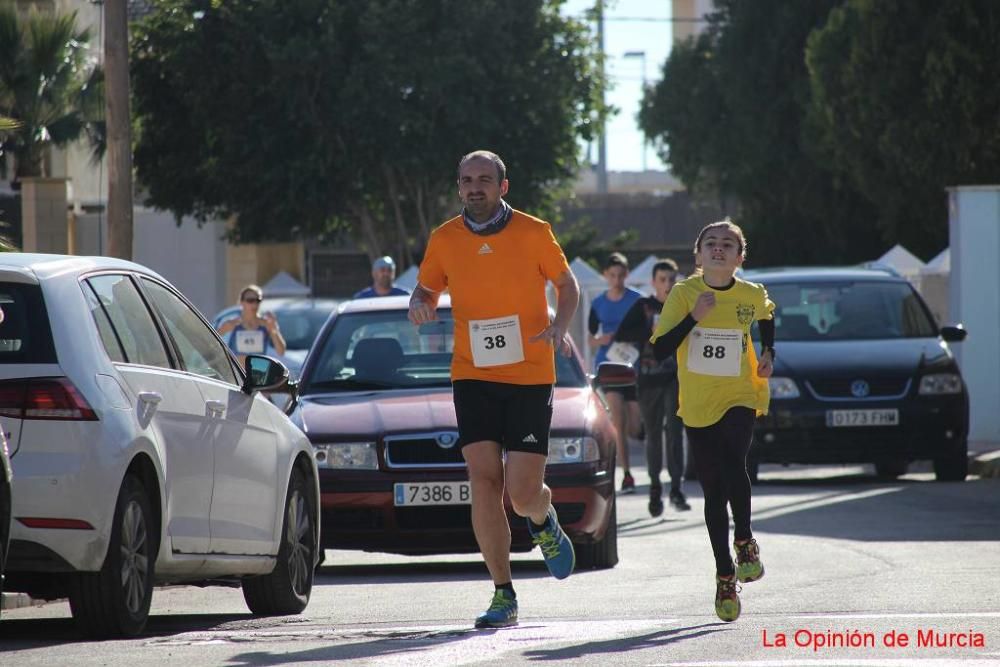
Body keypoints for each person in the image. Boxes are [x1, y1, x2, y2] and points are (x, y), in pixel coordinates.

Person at [409, 149, 580, 630]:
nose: (475, 187)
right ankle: (503, 593)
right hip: (472, 373)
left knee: (522, 493)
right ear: (458, 186)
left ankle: (542, 519)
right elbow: (426, 288)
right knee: (482, 481)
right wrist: (419, 303)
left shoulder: (533, 231)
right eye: (467, 180)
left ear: (504, 186)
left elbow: (568, 287)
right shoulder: (444, 238)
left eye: (485, 179)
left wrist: (558, 328)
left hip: (529, 374)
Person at [649, 219, 775, 623]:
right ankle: (724, 573)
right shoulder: (685, 293)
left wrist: (769, 351)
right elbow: (660, 349)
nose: (718, 249)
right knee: (712, 488)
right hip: (698, 402)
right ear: (698, 254)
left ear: (740, 257)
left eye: (727, 244)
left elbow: (767, 315)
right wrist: (694, 318)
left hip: (740, 392)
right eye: (711, 243)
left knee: (734, 461)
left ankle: (744, 538)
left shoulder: (750, 293)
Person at [612, 258, 690, 516]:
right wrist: (649, 332)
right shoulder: (643, 306)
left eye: (671, 279)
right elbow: (621, 334)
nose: (667, 284)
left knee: (676, 433)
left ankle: (677, 488)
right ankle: (655, 487)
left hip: (677, 378)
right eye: (662, 279)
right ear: (654, 282)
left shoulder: (683, 306)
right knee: (654, 435)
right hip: (648, 377)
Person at [588, 252, 643, 493]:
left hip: (634, 366)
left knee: (635, 427)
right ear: (605, 276)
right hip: (609, 368)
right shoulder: (598, 303)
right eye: (613, 275)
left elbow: (648, 332)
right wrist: (602, 340)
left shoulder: (638, 300)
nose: (617, 280)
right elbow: (591, 340)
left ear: (627, 275)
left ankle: (630, 438)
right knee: (619, 421)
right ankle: (627, 475)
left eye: (621, 275)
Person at [217, 284, 287, 364]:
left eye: (258, 300)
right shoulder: (231, 324)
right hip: (237, 374)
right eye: (250, 300)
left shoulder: (266, 324)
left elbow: (281, 352)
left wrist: (274, 330)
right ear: (241, 302)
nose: (254, 304)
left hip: (258, 373)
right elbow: (212, 343)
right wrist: (223, 330)